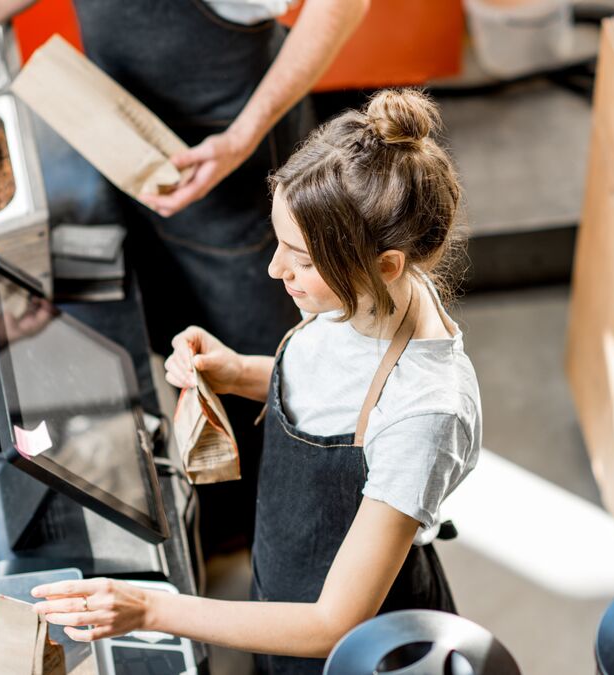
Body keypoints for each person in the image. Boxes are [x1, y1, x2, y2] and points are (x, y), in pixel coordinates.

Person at [30, 89, 483, 673]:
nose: (275, 269)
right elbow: (337, 397)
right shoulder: (364, 296)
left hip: (352, 645)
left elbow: (332, 623)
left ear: (386, 264)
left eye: (299, 258)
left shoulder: (426, 415)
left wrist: (148, 609)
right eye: (279, 244)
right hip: (284, 577)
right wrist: (240, 372)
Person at [0, 0, 369, 549]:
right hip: (125, 136)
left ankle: (263, 528)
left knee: (257, 370)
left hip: (225, 162)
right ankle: (210, 511)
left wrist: (241, 138)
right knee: (174, 334)